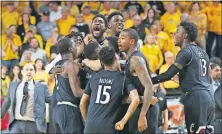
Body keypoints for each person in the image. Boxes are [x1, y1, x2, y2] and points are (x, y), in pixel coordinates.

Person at [152, 22, 214, 133]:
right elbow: (207, 79)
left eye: (177, 32)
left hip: (196, 98)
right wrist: (184, 81)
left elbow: (167, 75)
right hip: (209, 97)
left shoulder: (185, 51)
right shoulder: (202, 52)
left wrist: (148, 80)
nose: (174, 35)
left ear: (184, 36)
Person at [80, 46, 140, 133]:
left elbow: (82, 103)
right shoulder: (123, 78)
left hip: (90, 127)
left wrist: (87, 121)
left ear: (101, 62)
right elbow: (136, 99)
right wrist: (123, 121)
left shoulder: (94, 77)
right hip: (108, 127)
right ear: (116, 58)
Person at [118, 29, 154, 133]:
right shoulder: (130, 59)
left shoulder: (135, 60)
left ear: (132, 41)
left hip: (143, 111)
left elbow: (149, 86)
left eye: (122, 38)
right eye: (119, 38)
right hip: (138, 107)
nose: (119, 40)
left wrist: (143, 115)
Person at [1, 63, 51, 133]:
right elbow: (6, 103)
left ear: (34, 72)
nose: (29, 71)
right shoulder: (13, 85)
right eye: (26, 69)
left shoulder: (41, 87)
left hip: (34, 125)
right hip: (16, 124)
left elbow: (51, 100)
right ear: (22, 72)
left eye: (31, 70)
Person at [52, 37, 84, 133]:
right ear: (70, 49)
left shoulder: (57, 65)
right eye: (75, 46)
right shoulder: (70, 65)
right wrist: (95, 91)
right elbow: (77, 93)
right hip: (68, 110)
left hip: (57, 110)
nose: (76, 48)